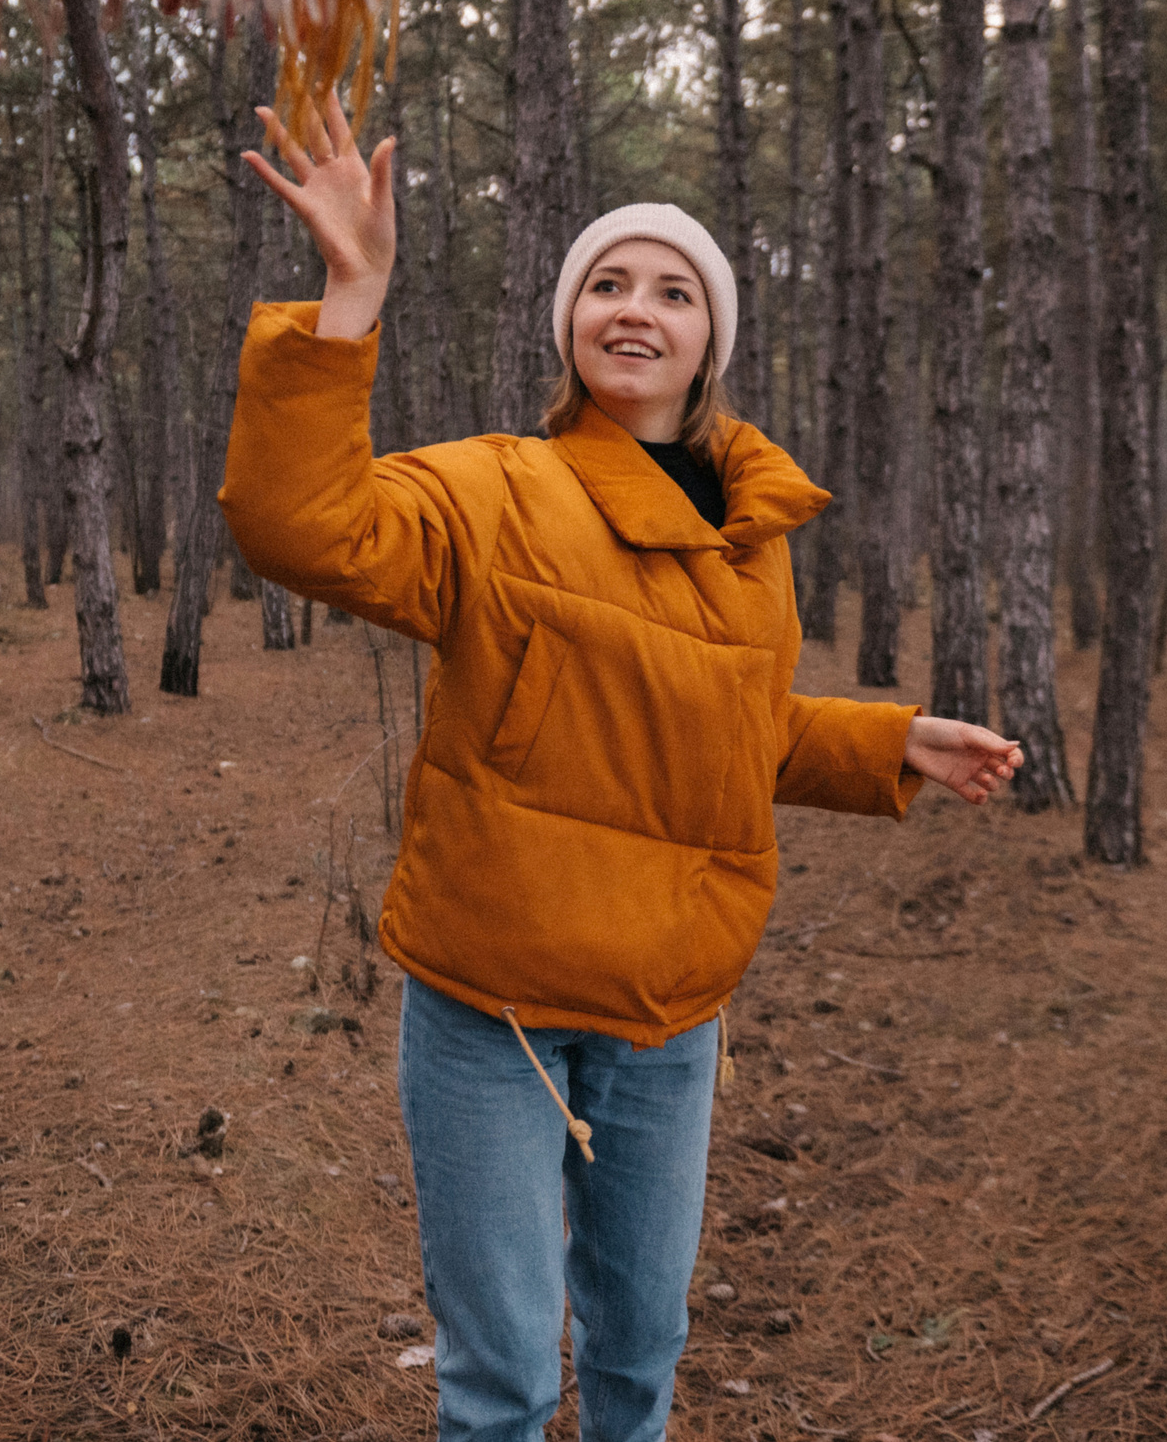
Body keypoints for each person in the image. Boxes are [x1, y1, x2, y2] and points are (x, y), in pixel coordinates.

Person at [219, 93, 1023, 1442]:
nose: (635, 305)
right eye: (605, 282)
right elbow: (303, 525)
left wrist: (891, 741)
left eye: (672, 288)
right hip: (496, 1013)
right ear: (571, 326)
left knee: (644, 1356)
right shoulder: (502, 489)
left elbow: (728, 736)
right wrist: (351, 294)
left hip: (670, 1016)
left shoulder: (751, 539)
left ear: (711, 340)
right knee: (504, 1386)